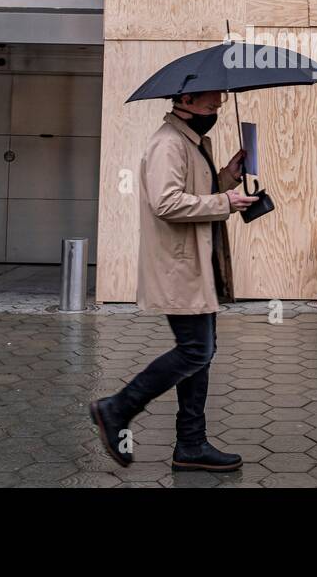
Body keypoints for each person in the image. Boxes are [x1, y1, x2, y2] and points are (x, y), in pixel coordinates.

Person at [89, 91, 257, 472]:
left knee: (201, 351)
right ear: (188, 101)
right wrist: (225, 203)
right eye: (212, 107)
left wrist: (227, 177)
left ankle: (191, 444)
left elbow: (194, 191)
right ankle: (116, 409)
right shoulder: (168, 144)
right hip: (179, 266)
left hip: (199, 264)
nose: (216, 113)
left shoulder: (192, 142)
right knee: (195, 350)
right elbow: (166, 203)